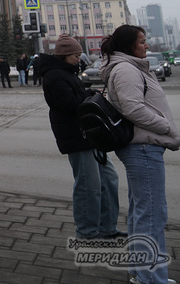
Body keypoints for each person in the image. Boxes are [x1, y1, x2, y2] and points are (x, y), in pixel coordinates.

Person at [101, 25, 180, 284]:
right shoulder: (126, 69)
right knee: (152, 216)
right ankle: (152, 279)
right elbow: (133, 109)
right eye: (142, 41)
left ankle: (141, 274)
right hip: (142, 148)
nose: (147, 45)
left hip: (142, 147)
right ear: (128, 45)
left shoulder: (130, 66)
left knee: (141, 212)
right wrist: (167, 127)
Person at [40, 35, 122, 241]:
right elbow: (69, 104)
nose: (79, 58)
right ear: (65, 55)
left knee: (109, 180)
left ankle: (107, 227)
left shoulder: (66, 73)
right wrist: (89, 97)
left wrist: (89, 92)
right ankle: (86, 232)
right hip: (77, 136)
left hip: (90, 135)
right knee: (88, 186)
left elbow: (76, 96)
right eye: (76, 55)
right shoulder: (55, 76)